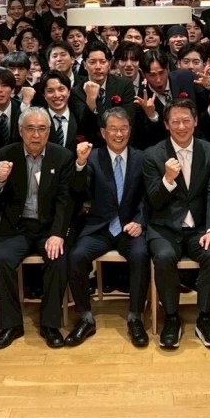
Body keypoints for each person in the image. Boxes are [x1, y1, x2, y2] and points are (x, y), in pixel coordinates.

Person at [0, 107, 76, 349]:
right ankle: (11, 325)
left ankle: (50, 324)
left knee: (57, 258)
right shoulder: (7, 154)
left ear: (49, 131)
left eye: (41, 129)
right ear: (20, 131)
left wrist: (58, 234)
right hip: (17, 227)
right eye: (30, 129)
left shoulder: (62, 157)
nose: (36, 135)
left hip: (48, 228)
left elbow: (65, 200)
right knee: (0, 259)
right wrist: (0, 181)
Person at [143, 99, 210, 349]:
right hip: (164, 228)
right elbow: (154, 201)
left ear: (196, 121)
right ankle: (171, 318)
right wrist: (168, 180)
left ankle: (205, 319)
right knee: (164, 257)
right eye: (175, 122)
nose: (181, 127)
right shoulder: (152, 154)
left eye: (186, 121)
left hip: (199, 228)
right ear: (166, 125)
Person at [66, 108, 150, 347]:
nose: (118, 134)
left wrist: (140, 222)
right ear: (103, 133)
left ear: (130, 131)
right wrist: (80, 164)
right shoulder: (92, 158)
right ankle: (85, 317)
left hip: (129, 228)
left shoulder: (142, 158)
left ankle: (135, 317)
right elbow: (78, 191)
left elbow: (148, 197)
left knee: (141, 254)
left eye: (123, 129)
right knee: (76, 256)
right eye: (113, 129)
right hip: (100, 228)